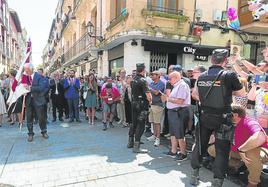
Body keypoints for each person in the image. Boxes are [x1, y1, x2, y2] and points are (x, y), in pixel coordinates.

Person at [190, 49, 245, 186]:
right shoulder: (229, 75)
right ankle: (217, 181)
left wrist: (205, 101)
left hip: (205, 116)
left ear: (212, 60)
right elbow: (242, 94)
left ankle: (194, 174)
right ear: (225, 61)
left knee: (200, 146)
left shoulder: (202, 76)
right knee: (222, 151)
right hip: (223, 118)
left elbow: (194, 94)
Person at [207, 105, 268, 187]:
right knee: (212, 149)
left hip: (257, 150)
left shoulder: (249, 122)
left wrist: (242, 149)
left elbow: (260, 137)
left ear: (235, 115)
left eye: (226, 113)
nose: (224, 115)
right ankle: (238, 164)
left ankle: (253, 183)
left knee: (251, 154)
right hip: (237, 151)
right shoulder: (227, 122)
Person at [161, 71, 190, 160]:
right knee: (173, 133)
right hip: (174, 112)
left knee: (180, 134)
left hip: (179, 112)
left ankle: (183, 153)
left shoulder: (182, 85)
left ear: (176, 78)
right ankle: (173, 151)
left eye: (170, 78)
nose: (169, 80)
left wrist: (167, 99)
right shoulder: (177, 85)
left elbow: (180, 101)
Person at [127, 63, 152, 153]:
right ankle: (136, 146)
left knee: (134, 123)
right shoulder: (143, 80)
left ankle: (130, 142)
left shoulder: (133, 80)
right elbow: (148, 95)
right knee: (140, 124)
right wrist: (150, 101)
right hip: (141, 105)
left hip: (134, 103)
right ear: (144, 70)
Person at [24, 63, 49, 142]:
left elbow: (41, 87)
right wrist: (22, 91)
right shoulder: (24, 77)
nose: (26, 71)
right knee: (29, 117)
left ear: (31, 69)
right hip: (28, 100)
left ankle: (44, 131)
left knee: (41, 117)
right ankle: (30, 133)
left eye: (27, 70)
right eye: (25, 70)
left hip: (38, 100)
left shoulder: (38, 76)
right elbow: (22, 87)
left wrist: (30, 88)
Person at [147, 70, 165, 147]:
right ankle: (154, 135)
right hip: (152, 104)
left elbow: (156, 92)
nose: (152, 76)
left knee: (157, 123)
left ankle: (158, 138)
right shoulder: (151, 83)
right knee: (153, 122)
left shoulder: (161, 83)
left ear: (158, 75)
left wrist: (149, 88)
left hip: (158, 105)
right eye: (151, 74)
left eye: (154, 74)